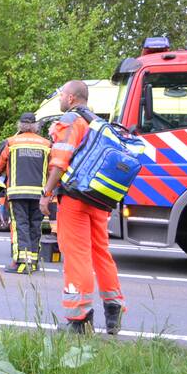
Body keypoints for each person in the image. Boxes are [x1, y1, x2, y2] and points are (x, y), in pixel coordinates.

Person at [40, 80, 125, 335]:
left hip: (75, 199)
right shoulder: (99, 124)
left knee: (76, 255)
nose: (59, 99)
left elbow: (60, 161)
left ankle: (80, 320)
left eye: (61, 95)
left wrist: (46, 193)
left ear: (72, 98)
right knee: (101, 253)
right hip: (99, 201)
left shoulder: (70, 121)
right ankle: (114, 309)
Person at [0, 112, 51, 274]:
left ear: (20, 125)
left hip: (17, 192)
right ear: (36, 126)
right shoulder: (46, 144)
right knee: (35, 226)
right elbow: (53, 170)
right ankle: (33, 261)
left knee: (20, 226)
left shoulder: (11, 142)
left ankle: (22, 263)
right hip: (40, 194)